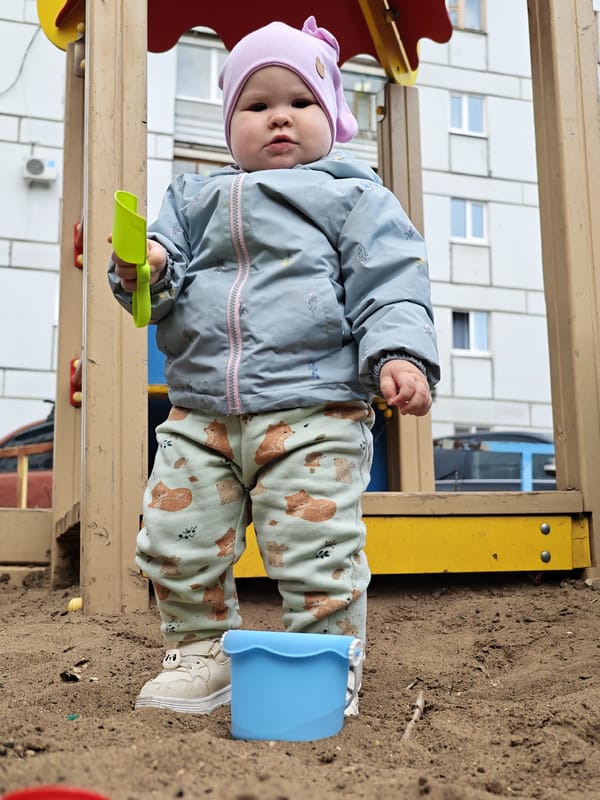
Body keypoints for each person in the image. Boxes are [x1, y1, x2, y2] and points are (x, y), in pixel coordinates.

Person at [108, 15, 440, 716]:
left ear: (334, 116)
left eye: (300, 102)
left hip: (313, 410)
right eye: (256, 106)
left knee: (314, 546)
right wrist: (148, 267)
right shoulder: (190, 199)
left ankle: (324, 659)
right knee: (175, 540)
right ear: (231, 124)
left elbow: (391, 281)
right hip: (200, 413)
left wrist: (400, 352)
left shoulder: (353, 196)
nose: (279, 119)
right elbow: (150, 292)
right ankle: (201, 654)